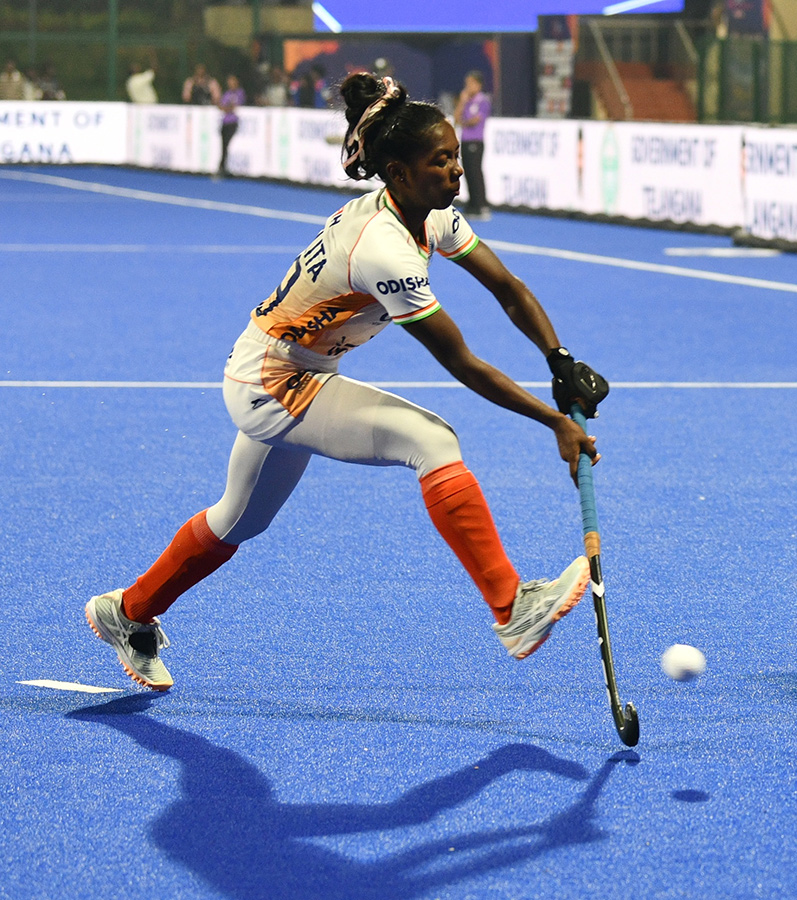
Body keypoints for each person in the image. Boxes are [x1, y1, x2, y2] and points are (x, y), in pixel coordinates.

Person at [84, 72, 608, 691]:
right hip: (276, 380)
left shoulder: (428, 213)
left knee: (238, 521)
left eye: (456, 158)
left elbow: (508, 288)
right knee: (432, 440)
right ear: (399, 171)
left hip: (285, 369)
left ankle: (127, 611)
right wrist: (553, 422)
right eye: (442, 162)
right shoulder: (382, 247)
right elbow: (462, 362)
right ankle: (510, 608)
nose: (457, 173)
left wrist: (559, 359)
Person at [454, 70, 492, 218]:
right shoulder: (467, 100)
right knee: (467, 172)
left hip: (476, 140)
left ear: (478, 85)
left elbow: (475, 120)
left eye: (470, 83)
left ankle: (481, 205)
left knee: (476, 173)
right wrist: (462, 101)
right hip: (465, 140)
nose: (468, 87)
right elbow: (457, 119)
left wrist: (464, 122)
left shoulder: (482, 100)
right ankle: (472, 204)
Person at [217, 73, 245, 178]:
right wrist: (226, 107)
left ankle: (227, 167)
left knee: (230, 144)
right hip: (225, 122)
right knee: (223, 145)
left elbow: (234, 106)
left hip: (233, 122)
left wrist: (226, 108)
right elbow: (221, 105)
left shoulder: (239, 93)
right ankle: (223, 167)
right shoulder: (227, 93)